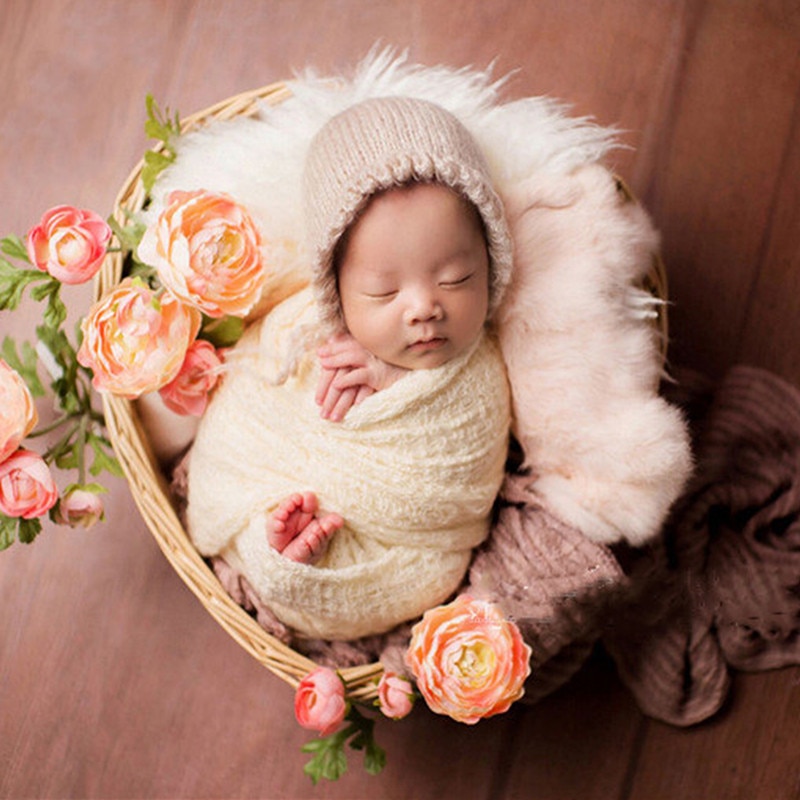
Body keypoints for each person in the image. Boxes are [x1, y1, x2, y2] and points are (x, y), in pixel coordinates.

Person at [186, 96, 514, 640]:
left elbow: (463, 475)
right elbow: (247, 417)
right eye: (383, 291)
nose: (424, 308)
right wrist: (277, 544)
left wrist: (405, 383)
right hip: (276, 491)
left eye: (457, 278)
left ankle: (290, 570)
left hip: (408, 549)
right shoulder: (303, 331)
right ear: (334, 288)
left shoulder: (479, 369)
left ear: (492, 261)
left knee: (428, 574)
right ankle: (279, 558)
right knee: (262, 522)